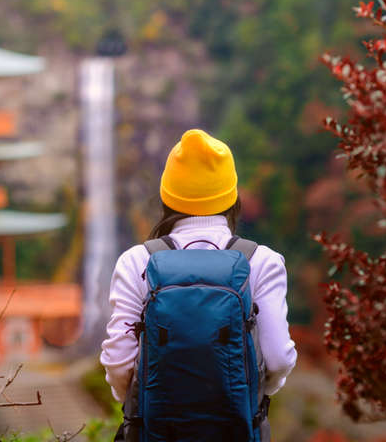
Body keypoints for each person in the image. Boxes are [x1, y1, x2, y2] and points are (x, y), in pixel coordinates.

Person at [99, 128, 297, 412]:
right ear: (231, 197)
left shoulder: (136, 261)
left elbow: (119, 361)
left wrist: (140, 406)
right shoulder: (262, 261)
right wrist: (249, 398)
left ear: (167, 197)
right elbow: (278, 358)